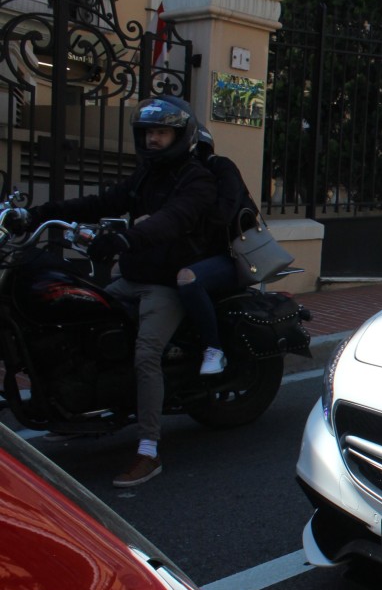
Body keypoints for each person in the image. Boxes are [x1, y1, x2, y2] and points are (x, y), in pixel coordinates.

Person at [24, 95, 218, 487]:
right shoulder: (146, 175)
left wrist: (126, 240)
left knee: (145, 354)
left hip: (164, 283)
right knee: (81, 323)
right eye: (147, 133)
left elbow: (171, 220)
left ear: (180, 136)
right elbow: (103, 201)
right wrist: (43, 212)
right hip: (132, 277)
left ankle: (148, 449)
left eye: (161, 133)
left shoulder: (197, 178)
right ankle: (79, 414)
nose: (152, 140)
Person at [176, 125, 256, 377]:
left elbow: (224, 213)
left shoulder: (220, 168)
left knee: (189, 279)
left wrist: (184, 219)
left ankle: (214, 349)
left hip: (233, 255)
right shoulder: (176, 176)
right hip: (201, 252)